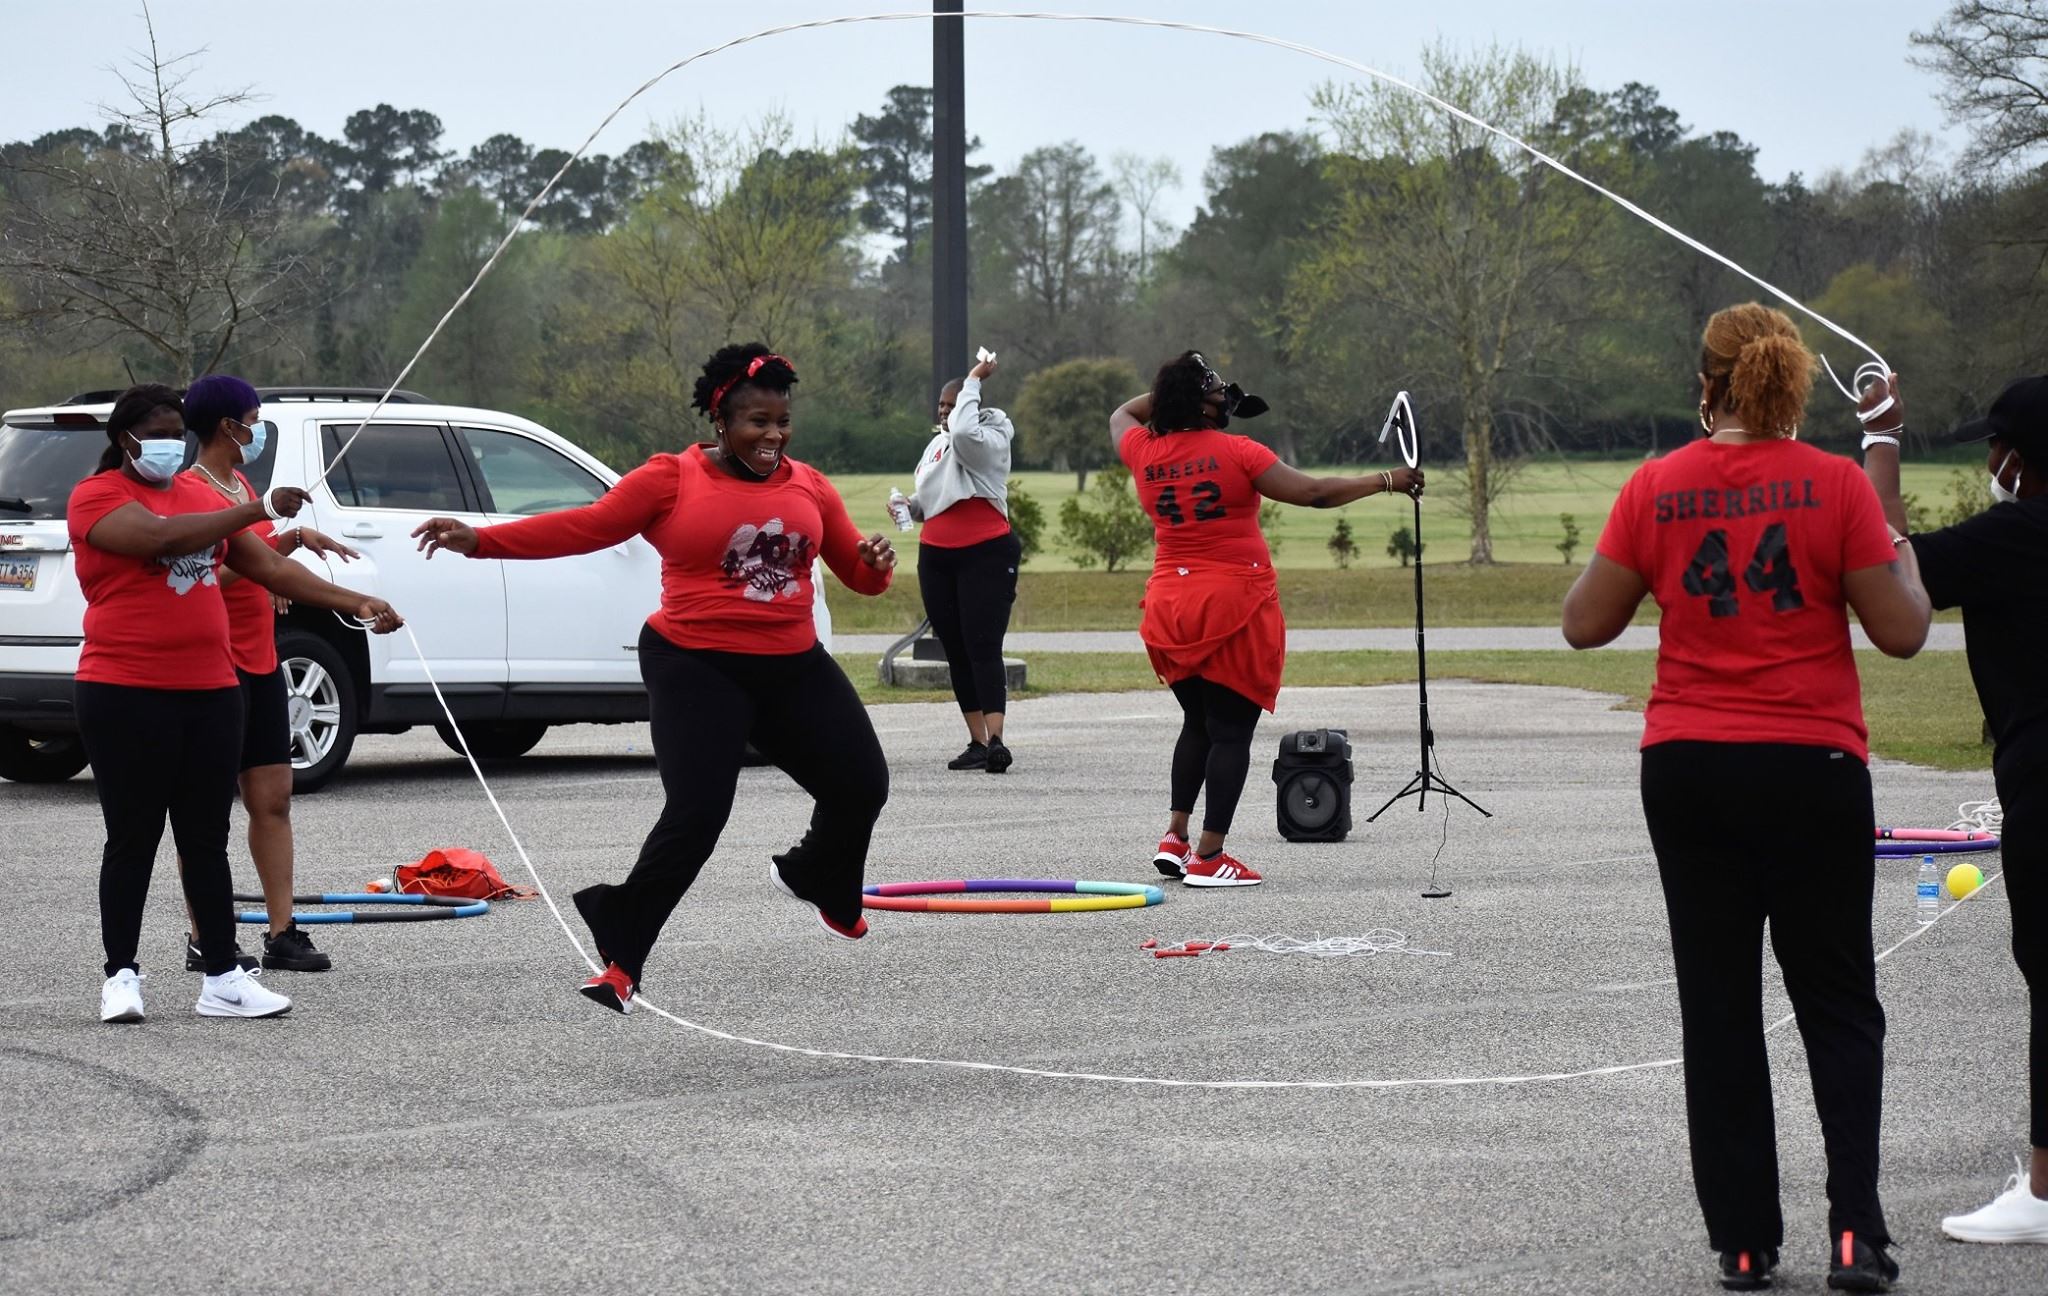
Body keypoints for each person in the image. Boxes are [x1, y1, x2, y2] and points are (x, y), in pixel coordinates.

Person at [1561, 304, 1930, 1292]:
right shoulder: (1834, 486)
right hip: (1808, 765)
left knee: (1717, 1005)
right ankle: (1853, 1232)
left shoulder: (1654, 484)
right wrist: (1892, 522)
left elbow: (1582, 625)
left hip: (1688, 765)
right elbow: (1900, 632)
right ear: (1789, 386)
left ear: (1703, 386)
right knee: (1836, 1003)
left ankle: (1740, 1238)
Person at [411, 344, 897, 1014]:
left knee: (864, 783)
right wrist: (482, 540)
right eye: (758, 422)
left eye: (783, 422)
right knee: (698, 813)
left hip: (791, 663)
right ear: (721, 421)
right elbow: (585, 528)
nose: (774, 436)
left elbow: (861, 578)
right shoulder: (671, 478)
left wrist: (876, 563)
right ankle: (621, 960)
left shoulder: (809, 484)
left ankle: (818, 872)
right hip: (696, 663)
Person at [72, 385, 402, 1025]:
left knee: (205, 836)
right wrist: (253, 509)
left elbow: (267, 570)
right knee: (133, 836)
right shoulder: (99, 496)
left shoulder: (202, 497)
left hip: (211, 689)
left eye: (176, 431)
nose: (169, 444)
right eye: (156, 433)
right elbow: (162, 540)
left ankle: (222, 974)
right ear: (124, 440)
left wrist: (352, 602)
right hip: (123, 690)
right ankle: (121, 975)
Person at [1109, 351, 1423, 888]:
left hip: (1169, 604)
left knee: (1198, 725)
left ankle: (1175, 838)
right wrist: (1387, 480)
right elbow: (1314, 493)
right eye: (1217, 390)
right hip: (1233, 602)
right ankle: (1210, 857)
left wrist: (1176, 389)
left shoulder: (1145, 451)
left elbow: (1122, 412)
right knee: (1231, 733)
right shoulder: (1238, 451)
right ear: (1204, 403)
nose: (1225, 397)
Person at [1861, 374, 2048, 1245]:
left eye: (1993, 445)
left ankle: (2043, 1196)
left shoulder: (2015, 535)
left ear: (2018, 458)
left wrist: (1883, 442)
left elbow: (1893, 571)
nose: (1988, 460)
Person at [177, 374, 361, 975]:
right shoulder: (191, 491)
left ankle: (283, 933)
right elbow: (220, 573)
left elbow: (256, 556)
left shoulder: (238, 483)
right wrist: (280, 556)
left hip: (260, 660)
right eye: (251, 419)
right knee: (207, 810)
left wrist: (292, 539)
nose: (256, 429)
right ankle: (208, 935)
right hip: (213, 665)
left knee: (273, 798)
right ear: (228, 427)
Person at [905, 354, 1021, 773]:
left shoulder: (989, 436)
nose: (944, 413)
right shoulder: (937, 444)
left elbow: (966, 436)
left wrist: (972, 378)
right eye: (940, 406)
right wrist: (910, 506)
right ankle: (976, 741)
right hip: (936, 554)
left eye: (951, 406)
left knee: (982, 646)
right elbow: (937, 497)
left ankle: (997, 741)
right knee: (955, 649)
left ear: (972, 406)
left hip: (985, 551)